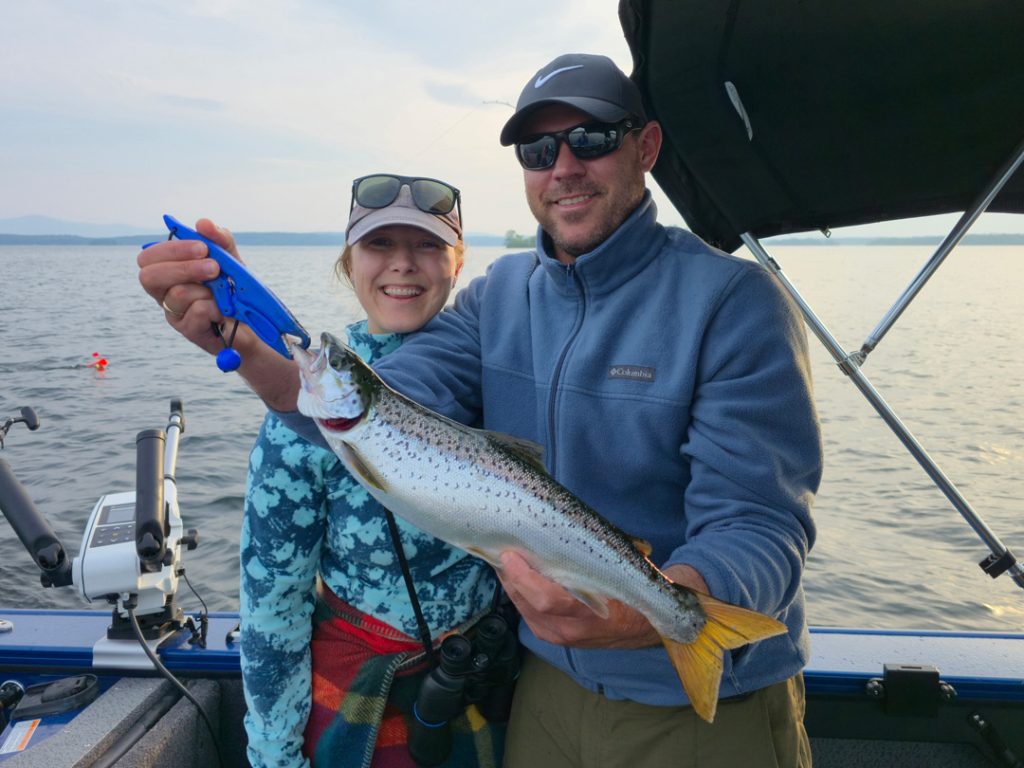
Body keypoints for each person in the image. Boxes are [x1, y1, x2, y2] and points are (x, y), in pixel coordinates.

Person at [139, 53, 822, 768]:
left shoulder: (734, 303)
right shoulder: (498, 296)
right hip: (542, 693)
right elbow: (391, 404)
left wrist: (654, 614)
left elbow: (762, 525)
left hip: (696, 714)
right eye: (537, 149)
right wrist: (247, 343)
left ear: (646, 147)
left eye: (591, 137)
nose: (563, 165)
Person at [139, 176, 506, 768]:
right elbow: (273, 607)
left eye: (429, 247)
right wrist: (276, 755)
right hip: (363, 697)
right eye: (379, 244)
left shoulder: (503, 366)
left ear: (459, 262)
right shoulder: (308, 395)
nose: (403, 265)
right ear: (347, 261)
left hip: (489, 684)